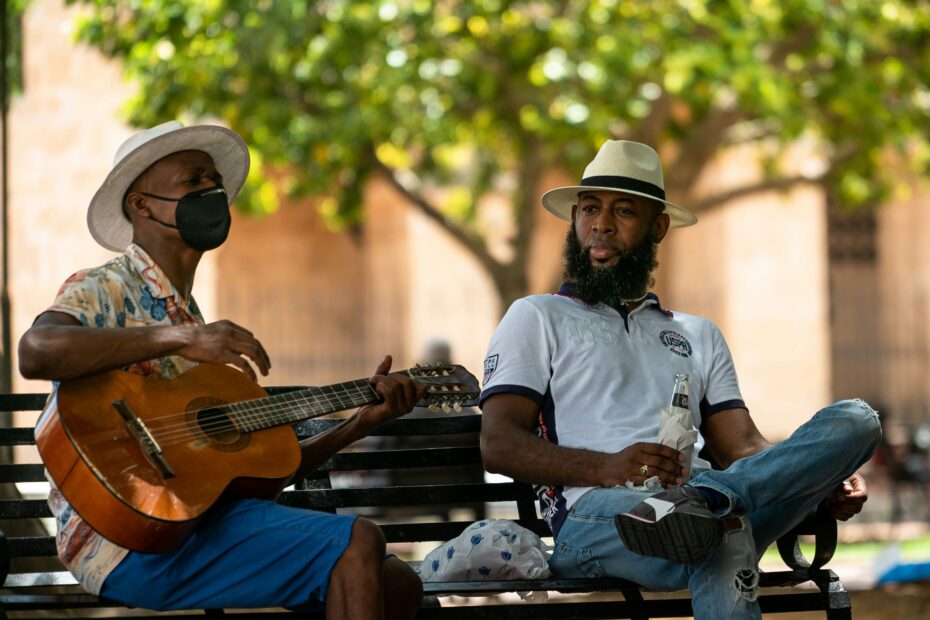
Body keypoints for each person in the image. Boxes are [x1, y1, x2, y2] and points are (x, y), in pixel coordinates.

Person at [18, 121, 425, 619]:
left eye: (213, 181)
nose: (211, 191)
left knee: (397, 583)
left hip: (200, 526)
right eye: (192, 181)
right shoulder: (105, 288)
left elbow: (260, 474)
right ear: (141, 205)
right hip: (125, 540)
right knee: (359, 539)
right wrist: (182, 339)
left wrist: (358, 424)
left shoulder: (191, 318)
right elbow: (36, 351)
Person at [478, 140, 882, 619]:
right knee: (720, 529)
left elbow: (743, 447)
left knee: (857, 421)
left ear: (658, 226)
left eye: (623, 211)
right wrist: (606, 467)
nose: (600, 224)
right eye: (589, 208)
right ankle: (707, 504)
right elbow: (498, 443)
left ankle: (707, 500)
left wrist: (817, 476)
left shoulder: (697, 334)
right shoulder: (536, 316)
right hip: (597, 516)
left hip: (693, 505)